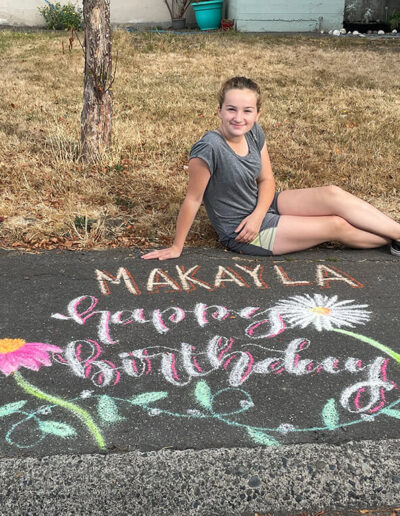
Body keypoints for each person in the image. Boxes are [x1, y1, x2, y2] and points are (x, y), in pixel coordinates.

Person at [142, 76, 400, 261]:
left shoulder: (254, 132)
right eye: (231, 109)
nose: (238, 118)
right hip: (242, 231)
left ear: (257, 113)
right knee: (335, 225)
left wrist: (258, 212)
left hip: (263, 206)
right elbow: (193, 198)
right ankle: (392, 240)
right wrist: (177, 246)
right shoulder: (208, 147)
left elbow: (266, 180)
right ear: (219, 110)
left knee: (332, 193)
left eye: (247, 110)